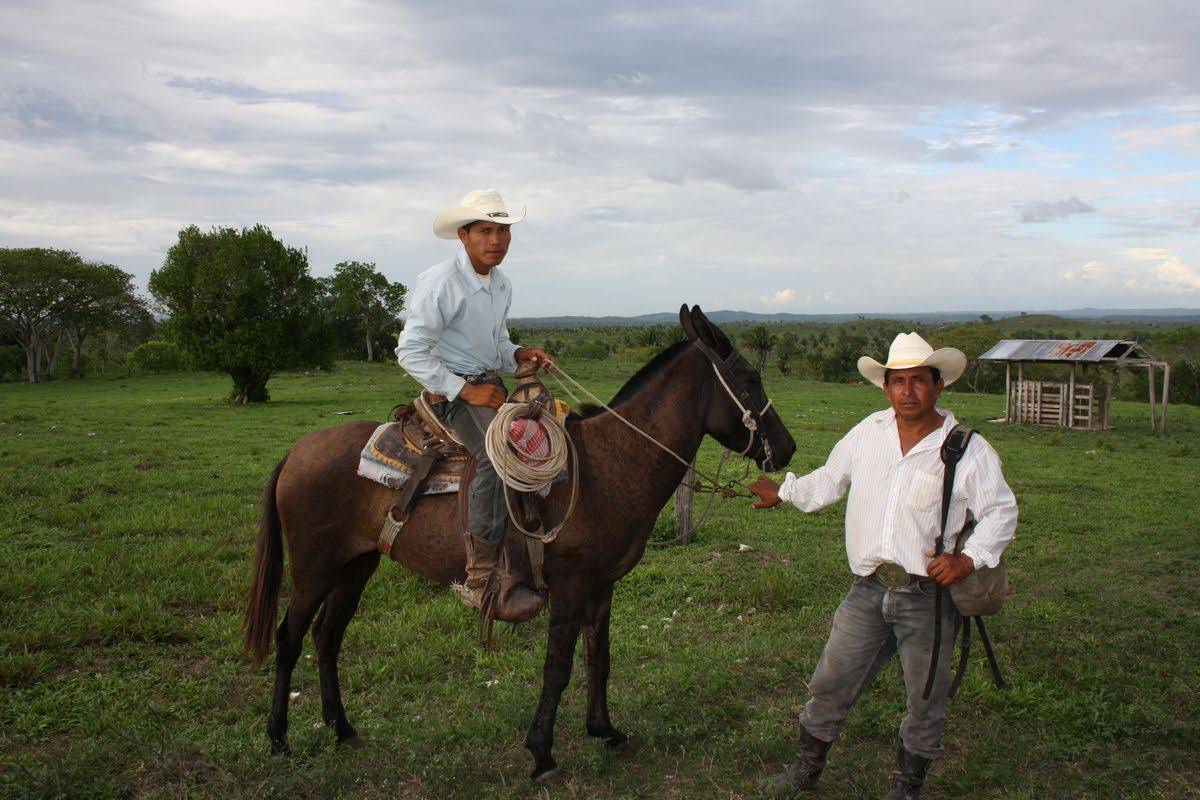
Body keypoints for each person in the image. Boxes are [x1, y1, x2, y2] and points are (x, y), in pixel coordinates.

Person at [749, 332, 1018, 800]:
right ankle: (806, 768)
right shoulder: (867, 433)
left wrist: (967, 559)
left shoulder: (966, 448)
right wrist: (785, 492)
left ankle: (907, 786)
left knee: (925, 698)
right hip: (869, 589)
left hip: (928, 597)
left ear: (938, 387)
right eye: (898, 382)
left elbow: (1001, 511)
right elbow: (831, 480)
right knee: (831, 680)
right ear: (886, 386)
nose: (907, 391)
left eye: (918, 381)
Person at [396, 189, 554, 622]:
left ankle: (534, 545)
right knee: (494, 455)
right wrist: (464, 392)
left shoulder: (501, 284)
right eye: (485, 230)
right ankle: (480, 576)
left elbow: (496, 345)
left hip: (488, 384)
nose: (497, 239)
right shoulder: (442, 281)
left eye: (503, 230)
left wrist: (520, 354)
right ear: (463, 235)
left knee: (552, 430)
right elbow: (411, 351)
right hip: (450, 393)